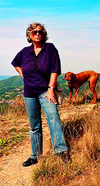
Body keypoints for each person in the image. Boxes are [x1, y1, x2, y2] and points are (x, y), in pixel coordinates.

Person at [11, 22, 70, 167]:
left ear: (44, 34)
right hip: (29, 93)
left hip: (45, 91)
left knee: (53, 118)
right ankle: (35, 156)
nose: (37, 34)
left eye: (40, 32)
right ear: (29, 35)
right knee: (34, 125)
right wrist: (23, 74)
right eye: (34, 32)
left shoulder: (50, 49)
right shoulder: (24, 52)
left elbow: (55, 69)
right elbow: (15, 63)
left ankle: (60, 151)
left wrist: (51, 88)